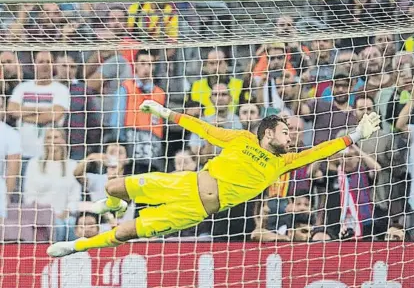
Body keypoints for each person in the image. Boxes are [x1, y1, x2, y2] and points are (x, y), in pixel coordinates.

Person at [47, 101, 381, 257]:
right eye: (285, 131)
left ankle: (75, 246)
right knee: (112, 186)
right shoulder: (241, 139)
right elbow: (203, 128)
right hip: (185, 182)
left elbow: (321, 151)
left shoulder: (285, 162)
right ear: (268, 132)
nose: (291, 137)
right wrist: (165, 114)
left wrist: (355, 135)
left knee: (124, 233)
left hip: (194, 210)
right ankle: (115, 205)